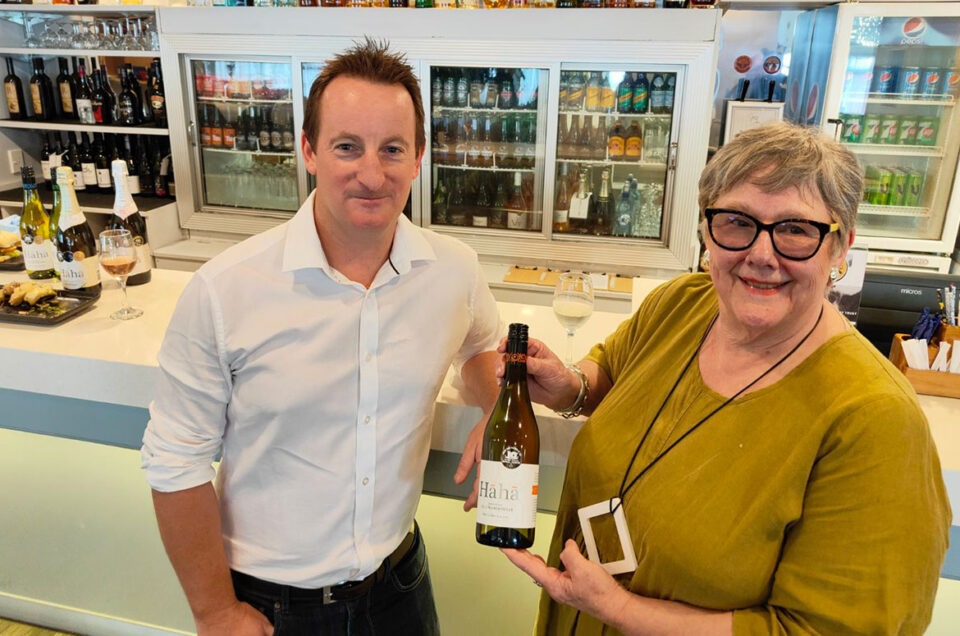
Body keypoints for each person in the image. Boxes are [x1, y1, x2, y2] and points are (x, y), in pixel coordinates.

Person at [493, 122, 951, 634]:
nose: (761, 253)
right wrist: (571, 386)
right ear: (708, 229)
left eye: (796, 230)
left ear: (840, 247)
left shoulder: (876, 421)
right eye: (737, 221)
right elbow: (613, 372)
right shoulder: (684, 304)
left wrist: (620, 610)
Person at [142, 39, 502, 636]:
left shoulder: (453, 270)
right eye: (346, 148)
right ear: (308, 151)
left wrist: (498, 402)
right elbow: (174, 461)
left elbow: (480, 345)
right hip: (270, 604)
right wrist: (213, 610)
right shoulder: (224, 290)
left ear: (418, 158)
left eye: (392, 149)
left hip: (400, 583)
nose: (371, 173)